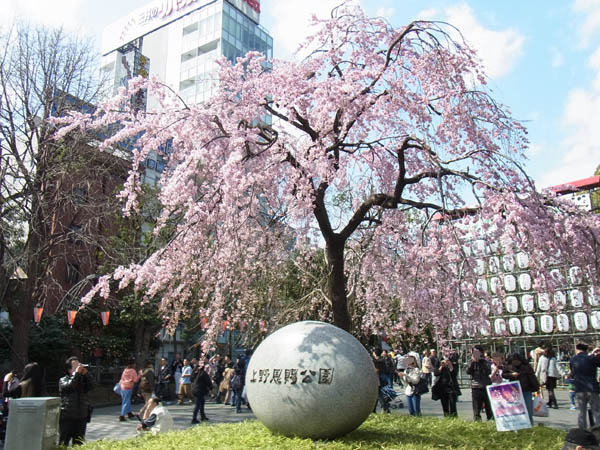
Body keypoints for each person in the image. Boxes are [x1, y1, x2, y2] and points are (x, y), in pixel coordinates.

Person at [58, 356, 93, 446]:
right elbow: (70, 385)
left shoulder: (82, 380)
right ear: (69, 369)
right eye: (75, 366)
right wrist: (76, 373)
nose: (79, 367)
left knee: (79, 443)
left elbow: (92, 386)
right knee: (63, 442)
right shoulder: (63, 380)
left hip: (81, 416)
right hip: (67, 416)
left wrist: (86, 374)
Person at [503, 352, 539, 426]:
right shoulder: (509, 366)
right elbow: (503, 375)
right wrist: (511, 375)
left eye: (517, 360)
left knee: (528, 410)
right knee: (516, 410)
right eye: (514, 361)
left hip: (527, 390)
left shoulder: (526, 366)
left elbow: (532, 377)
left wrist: (536, 387)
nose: (516, 362)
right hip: (515, 391)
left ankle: (530, 424)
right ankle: (519, 425)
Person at [571, 343, 600, 429]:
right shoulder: (591, 359)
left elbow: (573, 373)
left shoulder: (573, 360)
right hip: (592, 387)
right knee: (597, 411)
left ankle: (582, 431)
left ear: (577, 349)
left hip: (579, 387)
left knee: (581, 412)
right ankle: (598, 430)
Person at [466, 345, 493, 421]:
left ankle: (490, 420)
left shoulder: (485, 361)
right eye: (474, 352)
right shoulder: (470, 361)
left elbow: (489, 371)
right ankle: (477, 421)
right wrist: (473, 362)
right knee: (476, 407)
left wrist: (481, 361)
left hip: (486, 386)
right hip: (476, 387)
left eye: (478, 352)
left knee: (488, 406)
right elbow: (468, 371)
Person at [433, 352, 461, 417]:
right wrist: (441, 366)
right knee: (444, 405)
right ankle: (446, 418)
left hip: (451, 386)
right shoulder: (439, 360)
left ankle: (454, 418)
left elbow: (455, 373)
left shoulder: (453, 360)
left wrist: (450, 364)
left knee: (452, 405)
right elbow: (436, 373)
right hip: (442, 386)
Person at [372, 348, 391, 413]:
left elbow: (377, 370)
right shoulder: (381, 360)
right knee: (377, 394)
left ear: (375, 353)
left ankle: (385, 408)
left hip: (379, 379)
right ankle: (374, 409)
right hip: (380, 378)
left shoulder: (378, 361)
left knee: (379, 394)